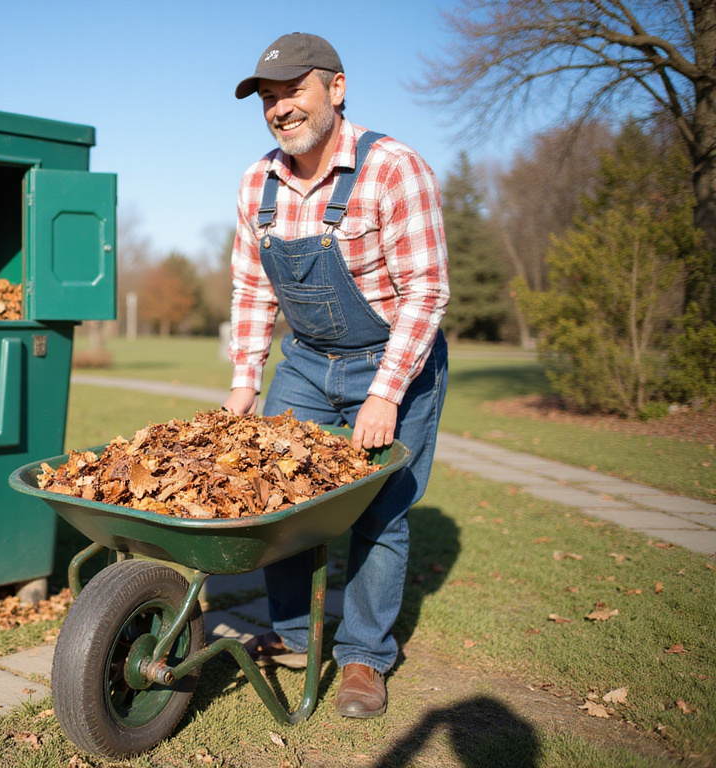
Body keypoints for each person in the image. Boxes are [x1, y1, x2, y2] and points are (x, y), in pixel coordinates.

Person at [223, 32, 449, 719]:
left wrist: (386, 392)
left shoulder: (393, 168)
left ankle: (362, 657)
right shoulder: (257, 180)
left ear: (336, 88)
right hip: (308, 362)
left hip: (393, 359)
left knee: (380, 512)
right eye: (268, 97)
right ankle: (296, 636)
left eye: (293, 90)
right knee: (282, 500)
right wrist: (244, 382)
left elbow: (427, 290)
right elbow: (252, 290)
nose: (279, 109)